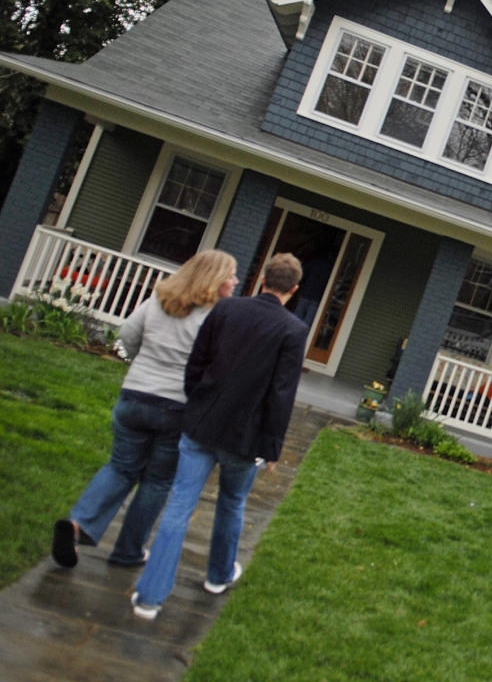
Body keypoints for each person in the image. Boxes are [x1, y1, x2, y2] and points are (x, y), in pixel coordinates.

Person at [131, 253, 308, 619]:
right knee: (232, 503)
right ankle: (218, 575)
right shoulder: (293, 330)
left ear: (262, 279)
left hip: (202, 425)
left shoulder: (227, 310)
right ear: (293, 289)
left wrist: (197, 399)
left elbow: (197, 362)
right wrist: (272, 446)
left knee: (180, 506)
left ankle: (149, 598)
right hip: (244, 439)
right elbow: (282, 393)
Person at [51, 250, 239, 569]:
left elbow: (126, 338)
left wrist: (138, 364)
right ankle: (128, 551)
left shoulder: (158, 300)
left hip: (134, 397)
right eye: (231, 275)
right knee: (157, 481)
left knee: (120, 467)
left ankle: (78, 524)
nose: (236, 281)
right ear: (217, 279)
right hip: (177, 408)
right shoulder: (217, 318)